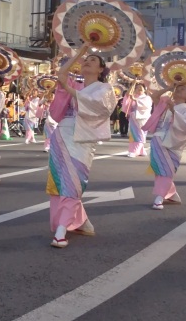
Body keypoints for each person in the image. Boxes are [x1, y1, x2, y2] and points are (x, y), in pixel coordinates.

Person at [46, 44, 116, 248]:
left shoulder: (105, 88)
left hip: (84, 138)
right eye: (87, 59)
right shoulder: (75, 84)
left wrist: (70, 89)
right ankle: (78, 222)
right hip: (62, 134)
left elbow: (100, 108)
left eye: (93, 60)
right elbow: (61, 73)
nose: (88, 61)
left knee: (74, 182)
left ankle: (62, 230)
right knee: (60, 182)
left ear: (101, 69)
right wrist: (80, 52)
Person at [143, 83, 186, 210]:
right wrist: (169, 88)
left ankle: (161, 196)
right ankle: (167, 195)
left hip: (174, 142)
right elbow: (154, 96)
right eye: (177, 89)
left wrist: (173, 110)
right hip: (158, 138)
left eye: (182, 90)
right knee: (161, 169)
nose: (178, 91)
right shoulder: (166, 102)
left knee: (167, 169)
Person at [123, 82, 152, 157]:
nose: (139, 89)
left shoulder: (147, 98)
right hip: (133, 118)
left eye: (141, 87)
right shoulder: (133, 96)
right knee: (133, 134)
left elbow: (146, 105)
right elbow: (127, 96)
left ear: (144, 89)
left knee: (140, 135)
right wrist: (133, 84)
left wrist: (135, 100)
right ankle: (141, 150)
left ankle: (135, 151)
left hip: (142, 118)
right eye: (137, 88)